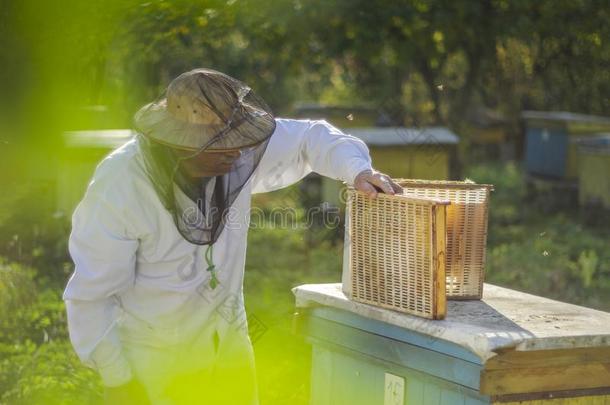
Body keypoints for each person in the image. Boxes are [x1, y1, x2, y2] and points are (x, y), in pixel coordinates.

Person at [63, 68, 402, 405]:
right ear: (181, 144)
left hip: (230, 345)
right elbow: (91, 294)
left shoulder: (235, 148)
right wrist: (118, 379)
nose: (237, 152)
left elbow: (311, 137)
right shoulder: (121, 183)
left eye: (237, 138)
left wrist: (358, 170)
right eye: (219, 144)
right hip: (155, 363)